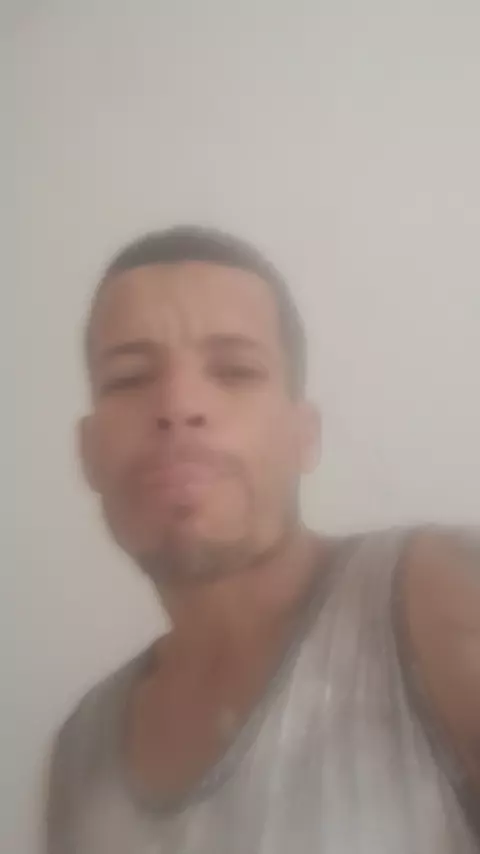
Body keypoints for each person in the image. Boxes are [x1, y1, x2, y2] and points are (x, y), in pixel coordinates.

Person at [46, 226, 480, 854]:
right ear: (88, 454)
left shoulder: (435, 601)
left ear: (305, 435)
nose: (178, 403)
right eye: (130, 378)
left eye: (235, 370)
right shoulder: (79, 750)